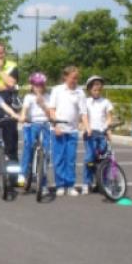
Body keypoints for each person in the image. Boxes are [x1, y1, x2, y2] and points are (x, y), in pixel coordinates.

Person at [48, 66, 87, 196]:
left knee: (70, 159)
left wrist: (87, 126)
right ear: (65, 77)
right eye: (73, 78)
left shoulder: (80, 92)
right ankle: (60, 185)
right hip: (59, 129)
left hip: (72, 130)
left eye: (77, 78)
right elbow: (52, 110)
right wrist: (56, 126)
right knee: (59, 158)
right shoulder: (57, 90)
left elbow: (83, 112)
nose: (75, 80)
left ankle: (70, 185)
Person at [19, 72, 51, 192]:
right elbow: (24, 110)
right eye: (35, 85)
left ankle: (43, 182)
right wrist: (22, 116)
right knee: (28, 146)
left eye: (41, 85)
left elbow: (51, 114)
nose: (38, 87)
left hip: (45, 125)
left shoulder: (48, 97)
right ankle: (22, 173)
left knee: (46, 152)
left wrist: (42, 104)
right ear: (31, 86)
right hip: (32, 124)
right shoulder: (28, 97)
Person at [82, 76, 114, 193]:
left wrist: (108, 129)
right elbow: (84, 117)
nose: (97, 91)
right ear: (89, 90)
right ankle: (87, 182)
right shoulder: (86, 102)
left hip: (102, 133)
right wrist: (86, 128)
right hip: (90, 133)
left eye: (99, 89)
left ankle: (102, 182)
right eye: (94, 89)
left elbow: (109, 118)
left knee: (103, 159)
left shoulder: (106, 102)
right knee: (89, 158)